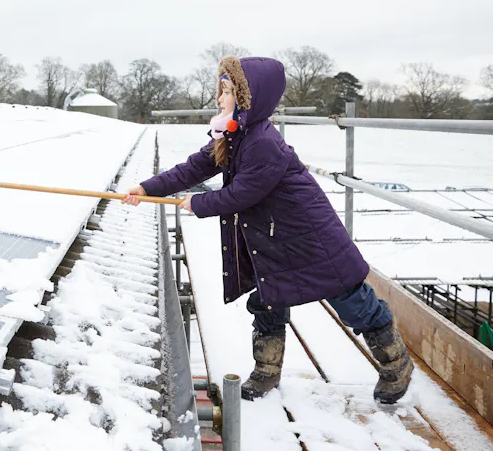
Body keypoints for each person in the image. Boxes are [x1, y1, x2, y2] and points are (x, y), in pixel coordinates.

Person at [123, 56, 413, 403]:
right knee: (267, 298)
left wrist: (199, 203)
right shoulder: (233, 134)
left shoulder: (263, 142)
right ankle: (267, 370)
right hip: (274, 237)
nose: (220, 99)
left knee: (351, 301)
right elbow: (195, 167)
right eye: (221, 91)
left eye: (227, 92)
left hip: (310, 237)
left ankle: (397, 365)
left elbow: (244, 193)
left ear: (248, 98)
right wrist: (147, 188)